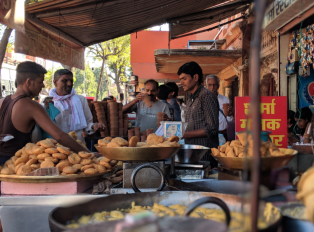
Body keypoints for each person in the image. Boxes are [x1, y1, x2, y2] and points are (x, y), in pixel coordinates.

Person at [0, 61, 88, 164]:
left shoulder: (2, 101)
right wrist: (87, 153)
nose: (42, 86)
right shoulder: (31, 106)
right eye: (40, 81)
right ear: (28, 82)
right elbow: (59, 136)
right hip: (16, 165)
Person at [179, 61, 219, 166]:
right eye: (180, 79)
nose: (181, 82)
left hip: (205, 155)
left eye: (184, 78)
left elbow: (212, 128)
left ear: (195, 77)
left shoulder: (206, 96)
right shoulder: (190, 98)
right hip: (192, 152)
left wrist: (185, 134)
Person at [49, 69, 105, 142]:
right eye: (64, 81)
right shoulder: (48, 103)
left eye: (71, 81)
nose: (69, 84)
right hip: (57, 149)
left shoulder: (81, 100)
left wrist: (93, 126)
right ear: (55, 82)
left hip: (78, 146)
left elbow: (87, 124)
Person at [205, 74, 234, 140]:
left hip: (224, 134)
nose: (212, 88)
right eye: (210, 85)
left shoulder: (224, 99)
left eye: (214, 85)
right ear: (206, 86)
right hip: (210, 136)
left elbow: (229, 121)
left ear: (218, 85)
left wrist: (230, 115)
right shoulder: (203, 101)